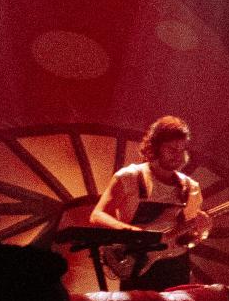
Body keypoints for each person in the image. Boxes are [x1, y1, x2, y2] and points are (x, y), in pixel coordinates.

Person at [89, 115, 211, 290]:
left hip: (175, 266)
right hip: (138, 260)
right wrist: (133, 232)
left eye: (182, 150)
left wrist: (202, 229)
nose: (178, 156)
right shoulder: (129, 177)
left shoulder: (191, 187)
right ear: (155, 147)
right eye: (171, 149)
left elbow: (187, 236)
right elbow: (98, 215)